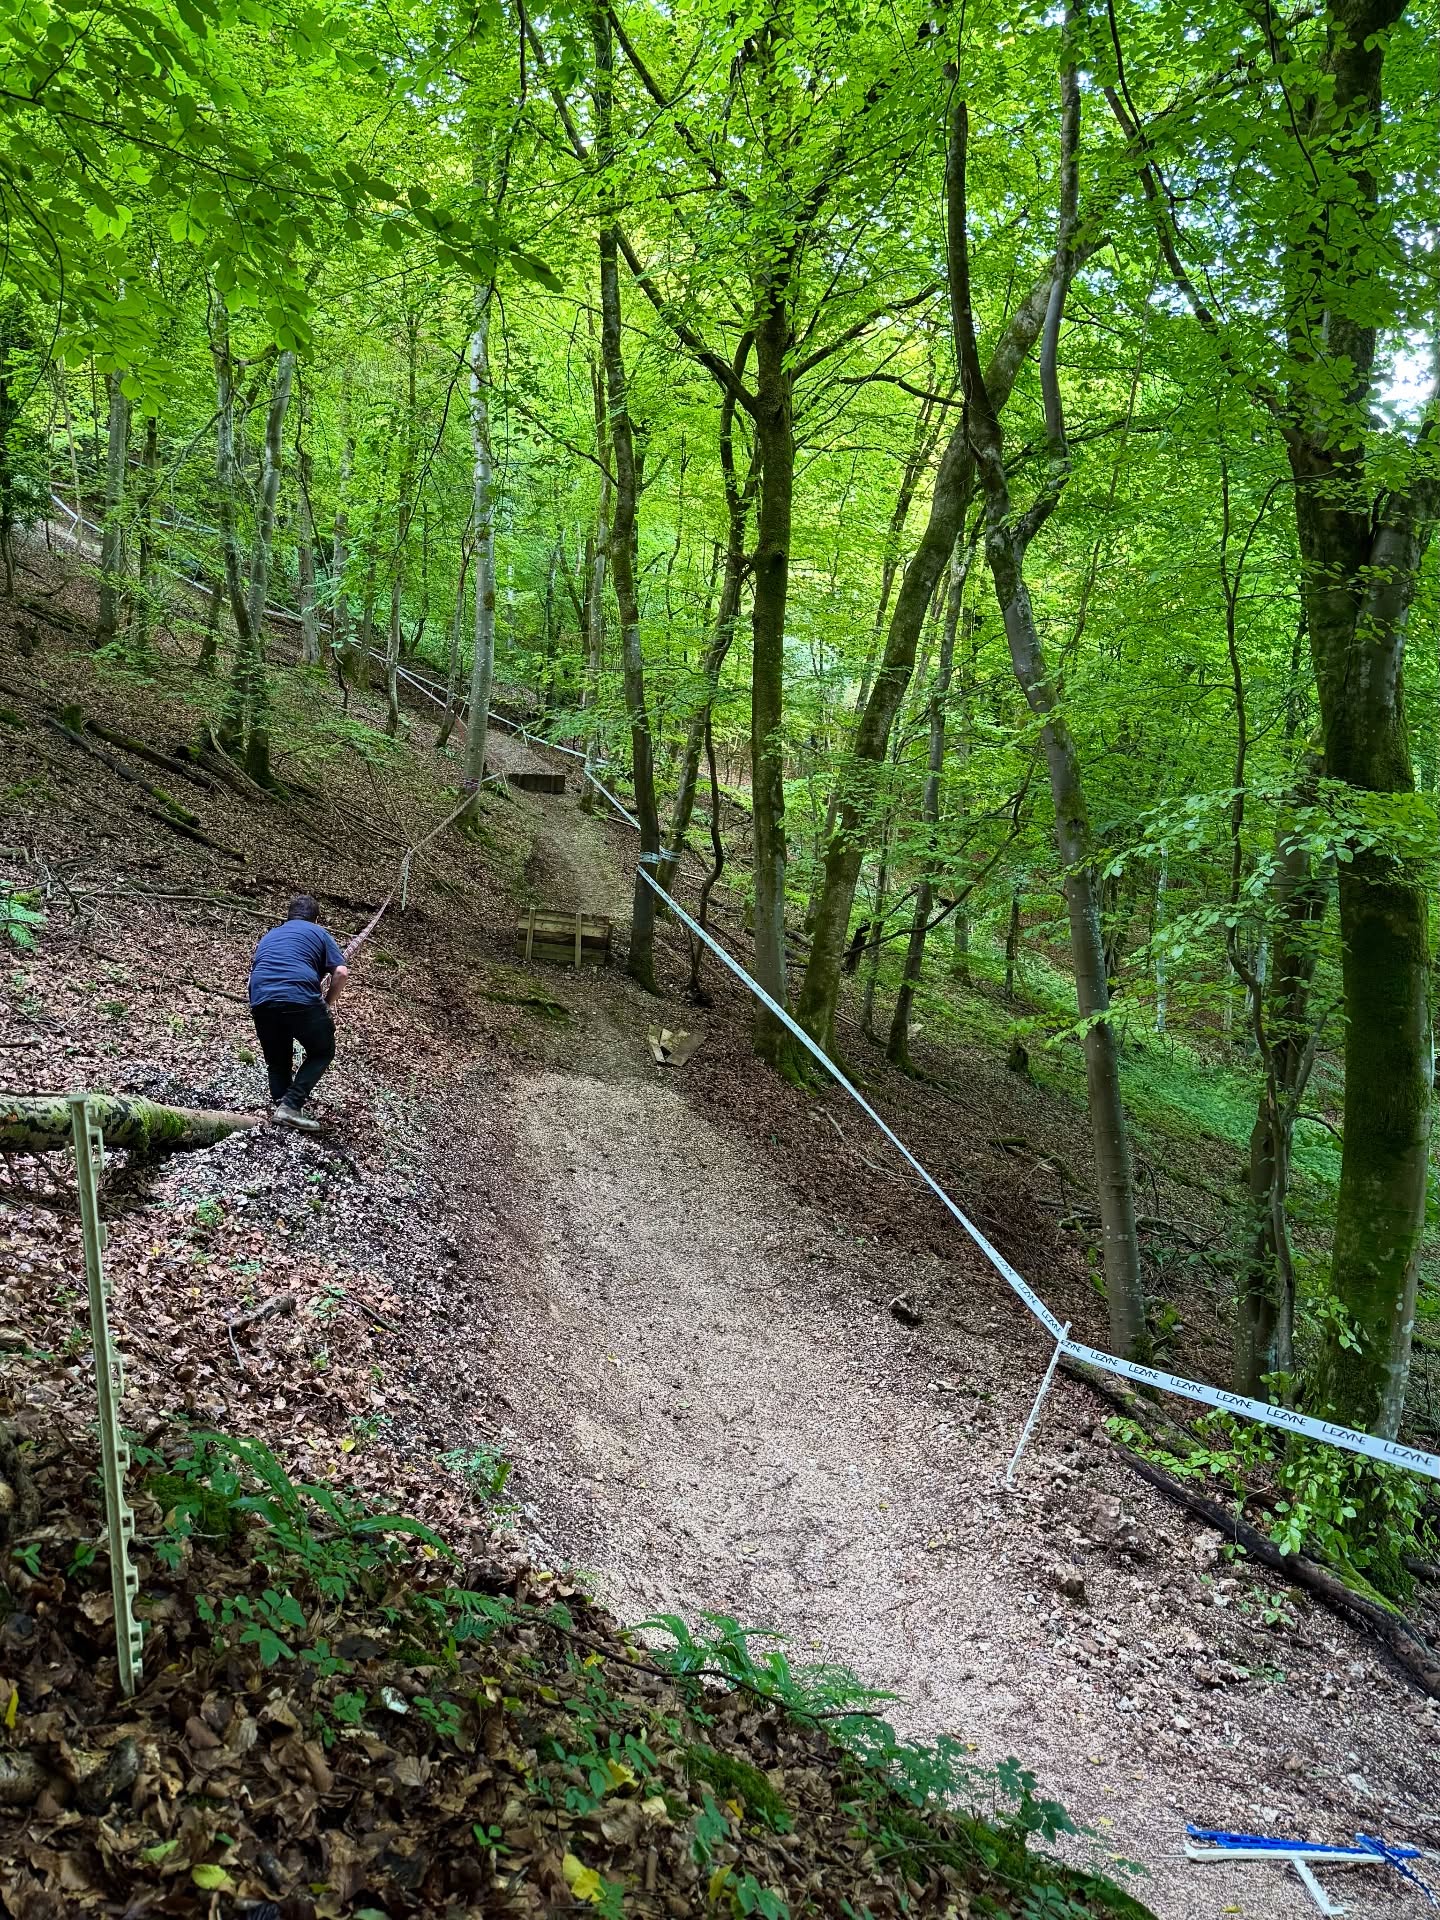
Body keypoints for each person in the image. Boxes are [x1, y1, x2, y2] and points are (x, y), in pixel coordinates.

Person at [247, 893, 348, 1132]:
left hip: (261, 998)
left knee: (277, 1058)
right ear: (316, 918)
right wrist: (327, 1002)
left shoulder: (271, 935)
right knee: (322, 1050)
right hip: (298, 996)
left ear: (289, 916)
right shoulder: (319, 933)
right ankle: (291, 1106)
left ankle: (282, 1108)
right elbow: (341, 973)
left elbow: (257, 971)